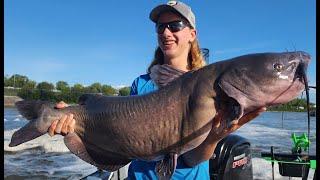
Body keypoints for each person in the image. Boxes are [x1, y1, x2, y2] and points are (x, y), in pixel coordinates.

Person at [48, 1, 266, 179]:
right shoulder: (141, 84)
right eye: (160, 27)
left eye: (175, 25)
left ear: (192, 33)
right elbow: (119, 135)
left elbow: (193, 159)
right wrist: (76, 122)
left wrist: (215, 137)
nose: (166, 32)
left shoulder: (213, 88)